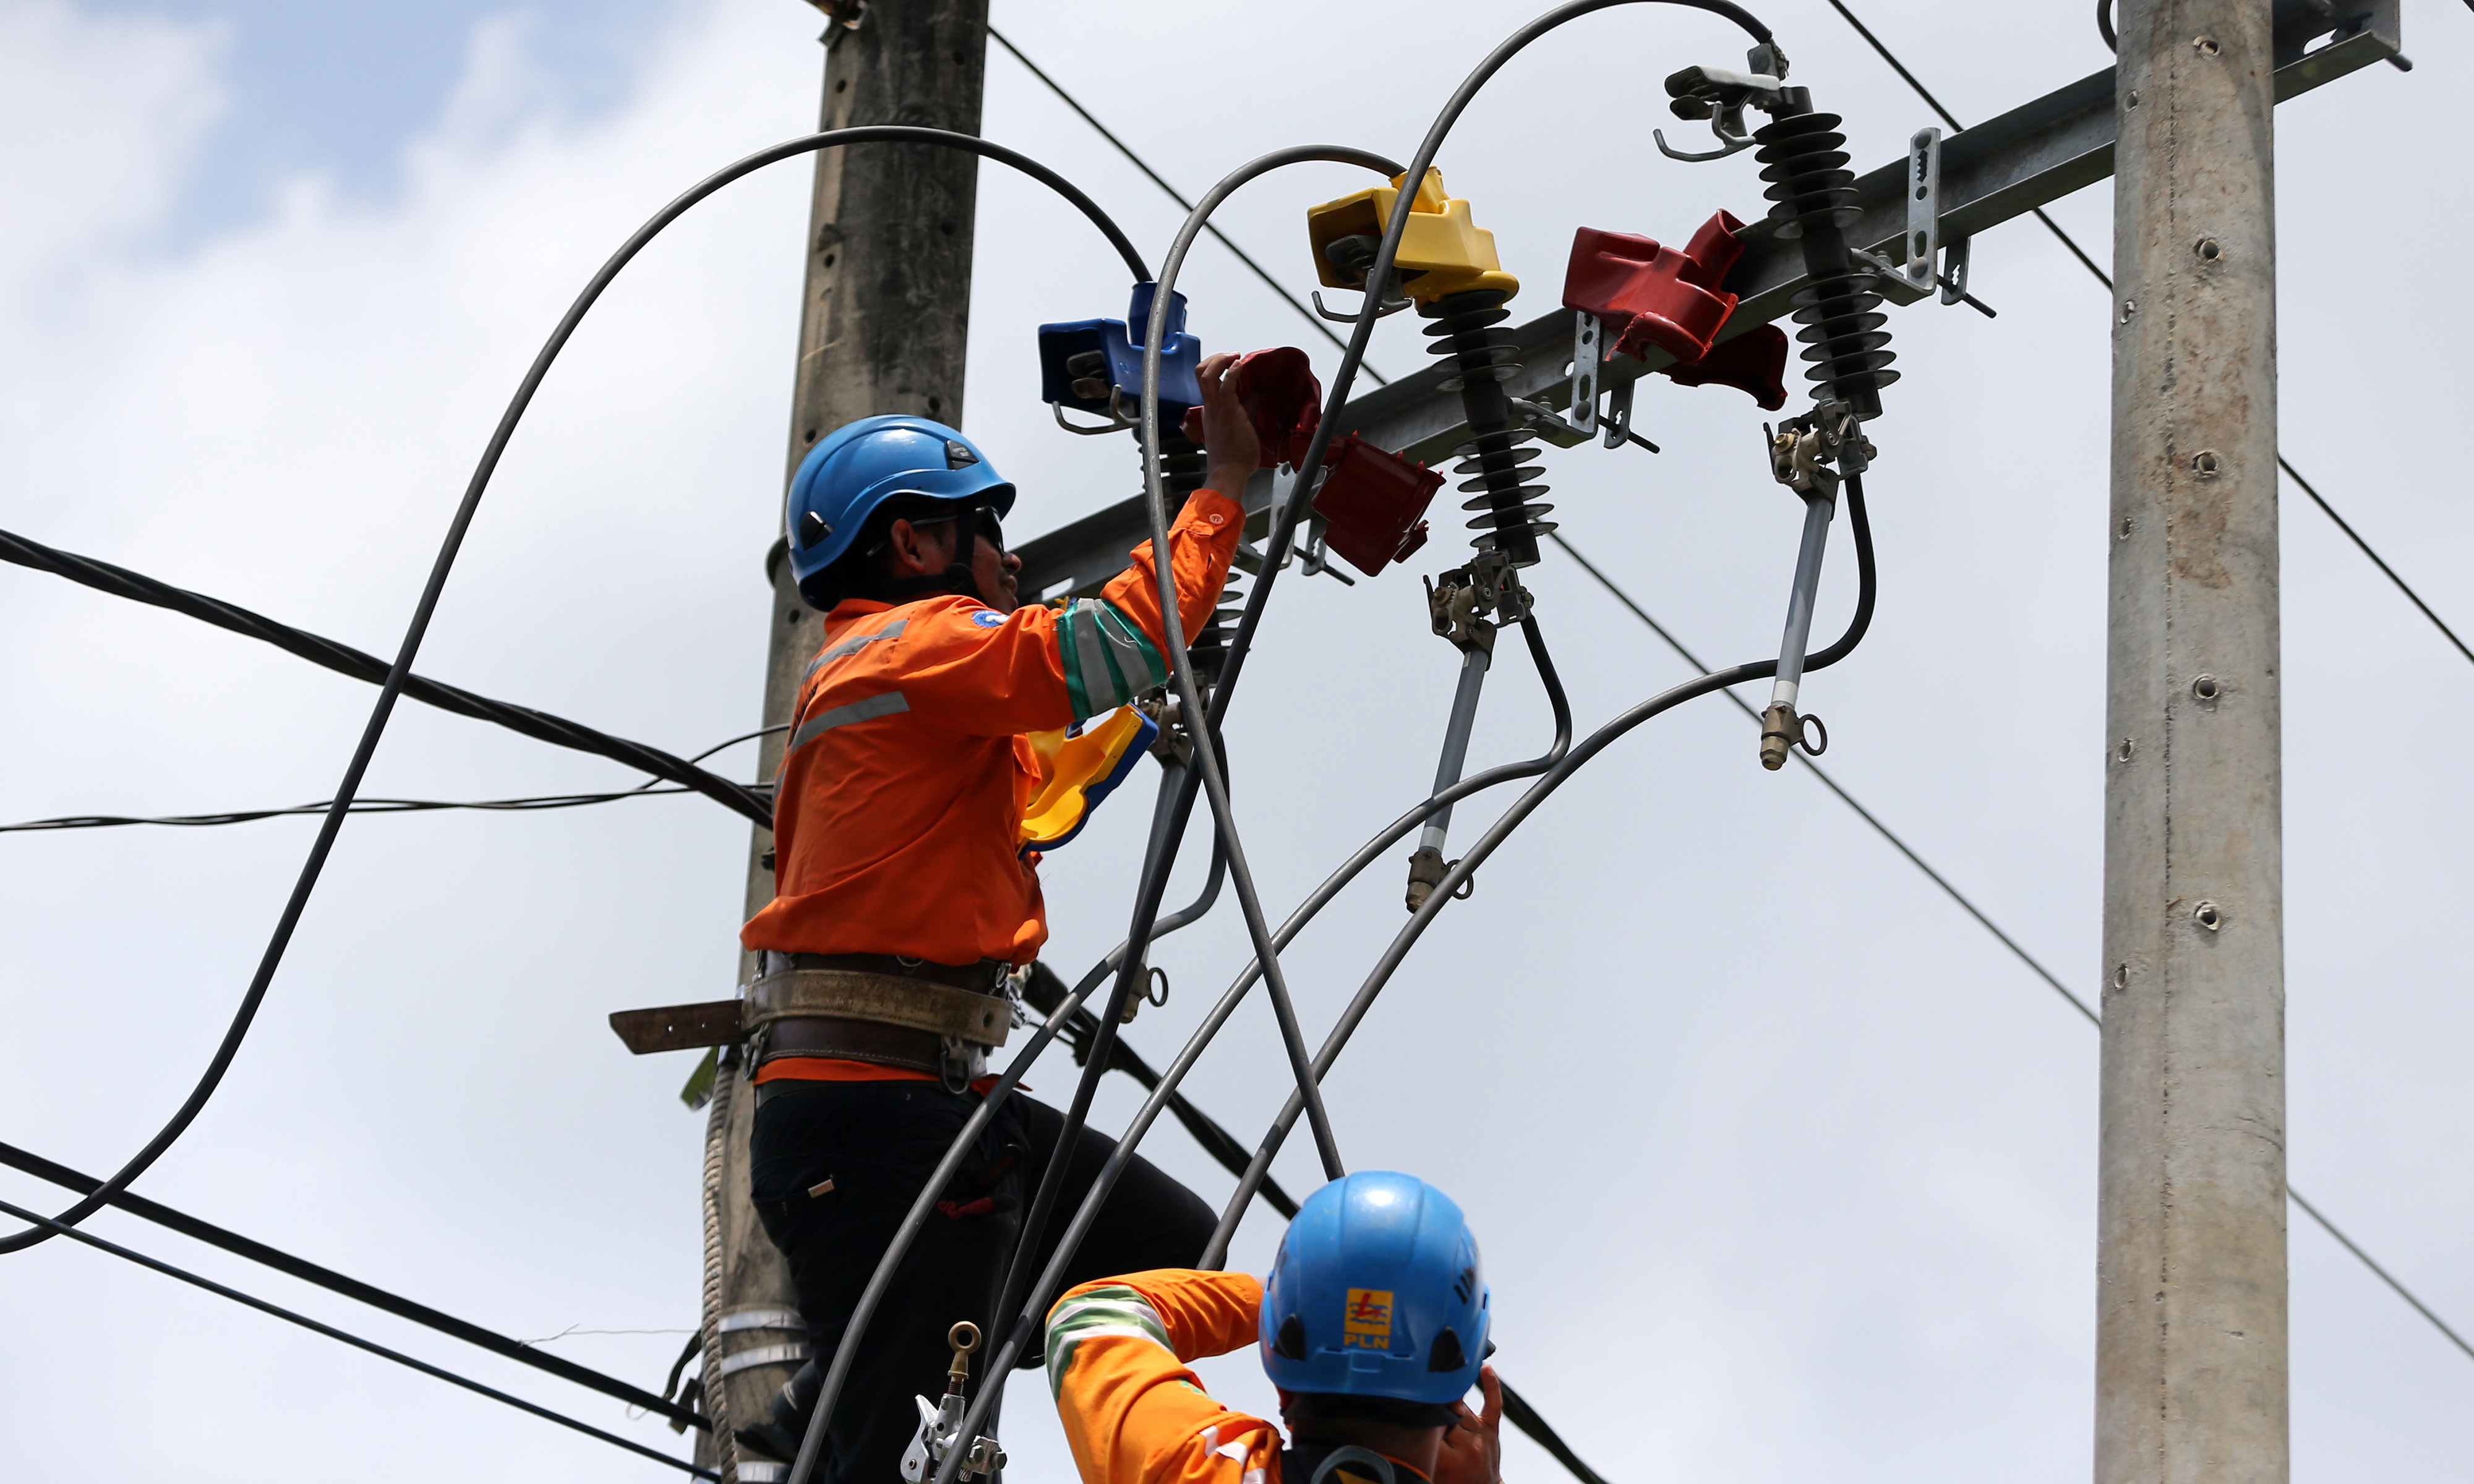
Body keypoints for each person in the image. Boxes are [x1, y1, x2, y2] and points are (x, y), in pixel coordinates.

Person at [732, 352, 1269, 1478]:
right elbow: (1108, 647)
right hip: (866, 1121)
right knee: (865, 1462)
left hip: (931, 1100)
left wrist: (1154, 684)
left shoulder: (918, 692)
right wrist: (1220, 494)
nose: (1011, 557)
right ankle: (860, 1385)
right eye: (984, 528)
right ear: (913, 545)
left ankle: (871, 1365)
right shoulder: (908, 648)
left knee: (1165, 1252)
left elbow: (1045, 765)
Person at [1045, 1171, 1505, 1484]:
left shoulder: (1196, 1470)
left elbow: (1093, 1316)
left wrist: (1300, 1293)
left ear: (1278, 1360)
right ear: (1458, 1391)